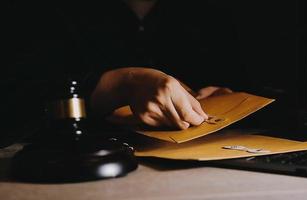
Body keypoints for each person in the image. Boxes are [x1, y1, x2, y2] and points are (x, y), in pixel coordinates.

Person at [2, 0, 247, 146]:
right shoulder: (40, 10)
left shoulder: (208, 12)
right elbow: (14, 104)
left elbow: (234, 80)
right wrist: (115, 86)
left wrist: (220, 96)